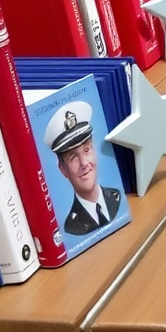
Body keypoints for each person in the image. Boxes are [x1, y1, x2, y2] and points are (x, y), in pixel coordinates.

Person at [45, 101, 122, 237]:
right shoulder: (72, 226)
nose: (84, 163)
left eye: (87, 150)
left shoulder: (118, 198)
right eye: (73, 157)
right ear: (63, 169)